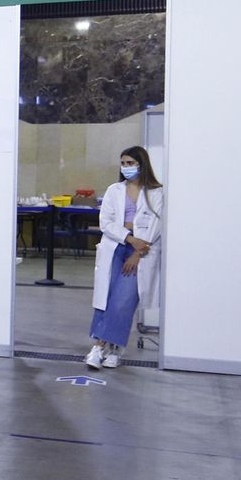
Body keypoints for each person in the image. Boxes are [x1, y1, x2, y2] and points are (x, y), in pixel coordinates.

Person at [85, 146, 164, 369]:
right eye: (123, 164)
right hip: (117, 247)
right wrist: (129, 237)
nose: (126, 168)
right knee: (106, 299)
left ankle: (101, 346)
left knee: (123, 301)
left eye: (130, 163)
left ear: (142, 164)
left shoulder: (156, 192)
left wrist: (138, 252)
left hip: (142, 253)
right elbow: (106, 223)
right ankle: (112, 348)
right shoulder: (114, 191)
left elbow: (155, 227)